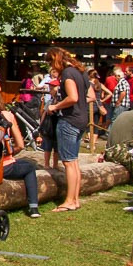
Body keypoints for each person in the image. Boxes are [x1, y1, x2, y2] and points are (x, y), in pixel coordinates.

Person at [44, 47, 88, 212]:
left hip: (69, 120)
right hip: (82, 119)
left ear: (55, 60)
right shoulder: (81, 72)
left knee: (68, 163)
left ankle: (69, 201)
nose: (52, 67)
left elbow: (73, 97)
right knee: (74, 162)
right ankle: (75, 199)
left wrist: (55, 106)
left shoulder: (68, 74)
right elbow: (87, 95)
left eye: (50, 62)